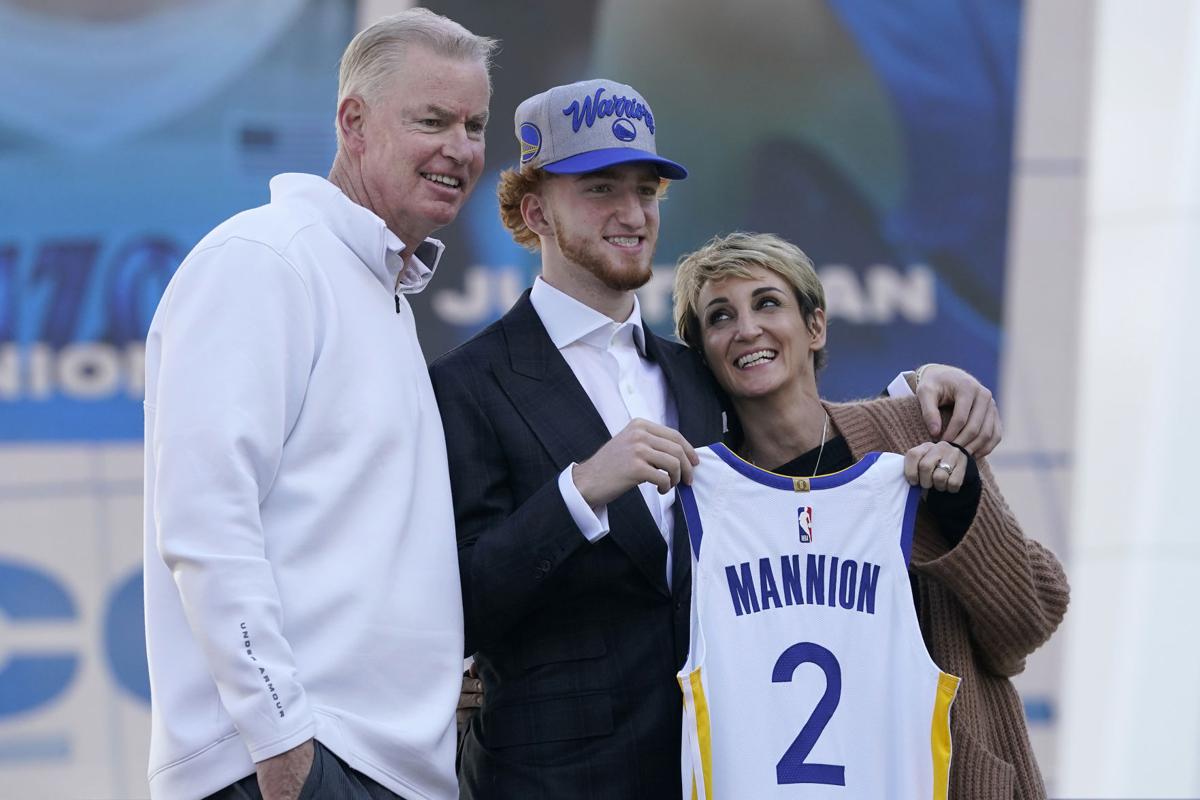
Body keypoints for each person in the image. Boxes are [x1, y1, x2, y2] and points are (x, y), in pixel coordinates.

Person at [430, 78, 1003, 799]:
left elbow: (805, 432)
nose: (633, 213)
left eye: (646, 191)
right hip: (548, 783)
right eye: (602, 189)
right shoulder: (465, 383)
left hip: (722, 771)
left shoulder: (699, 372)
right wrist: (581, 491)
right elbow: (455, 604)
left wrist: (927, 385)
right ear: (535, 209)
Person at [142, 10, 495, 800]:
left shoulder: (378, 291)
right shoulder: (264, 259)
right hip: (292, 765)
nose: (461, 148)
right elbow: (204, 519)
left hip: (374, 768)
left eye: (473, 124)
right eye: (431, 120)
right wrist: (282, 746)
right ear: (354, 123)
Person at [671, 231, 1069, 800]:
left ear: (816, 326)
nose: (747, 329)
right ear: (704, 353)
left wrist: (957, 505)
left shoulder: (909, 434)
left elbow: (1030, 618)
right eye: (719, 317)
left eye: (767, 303)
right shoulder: (704, 499)